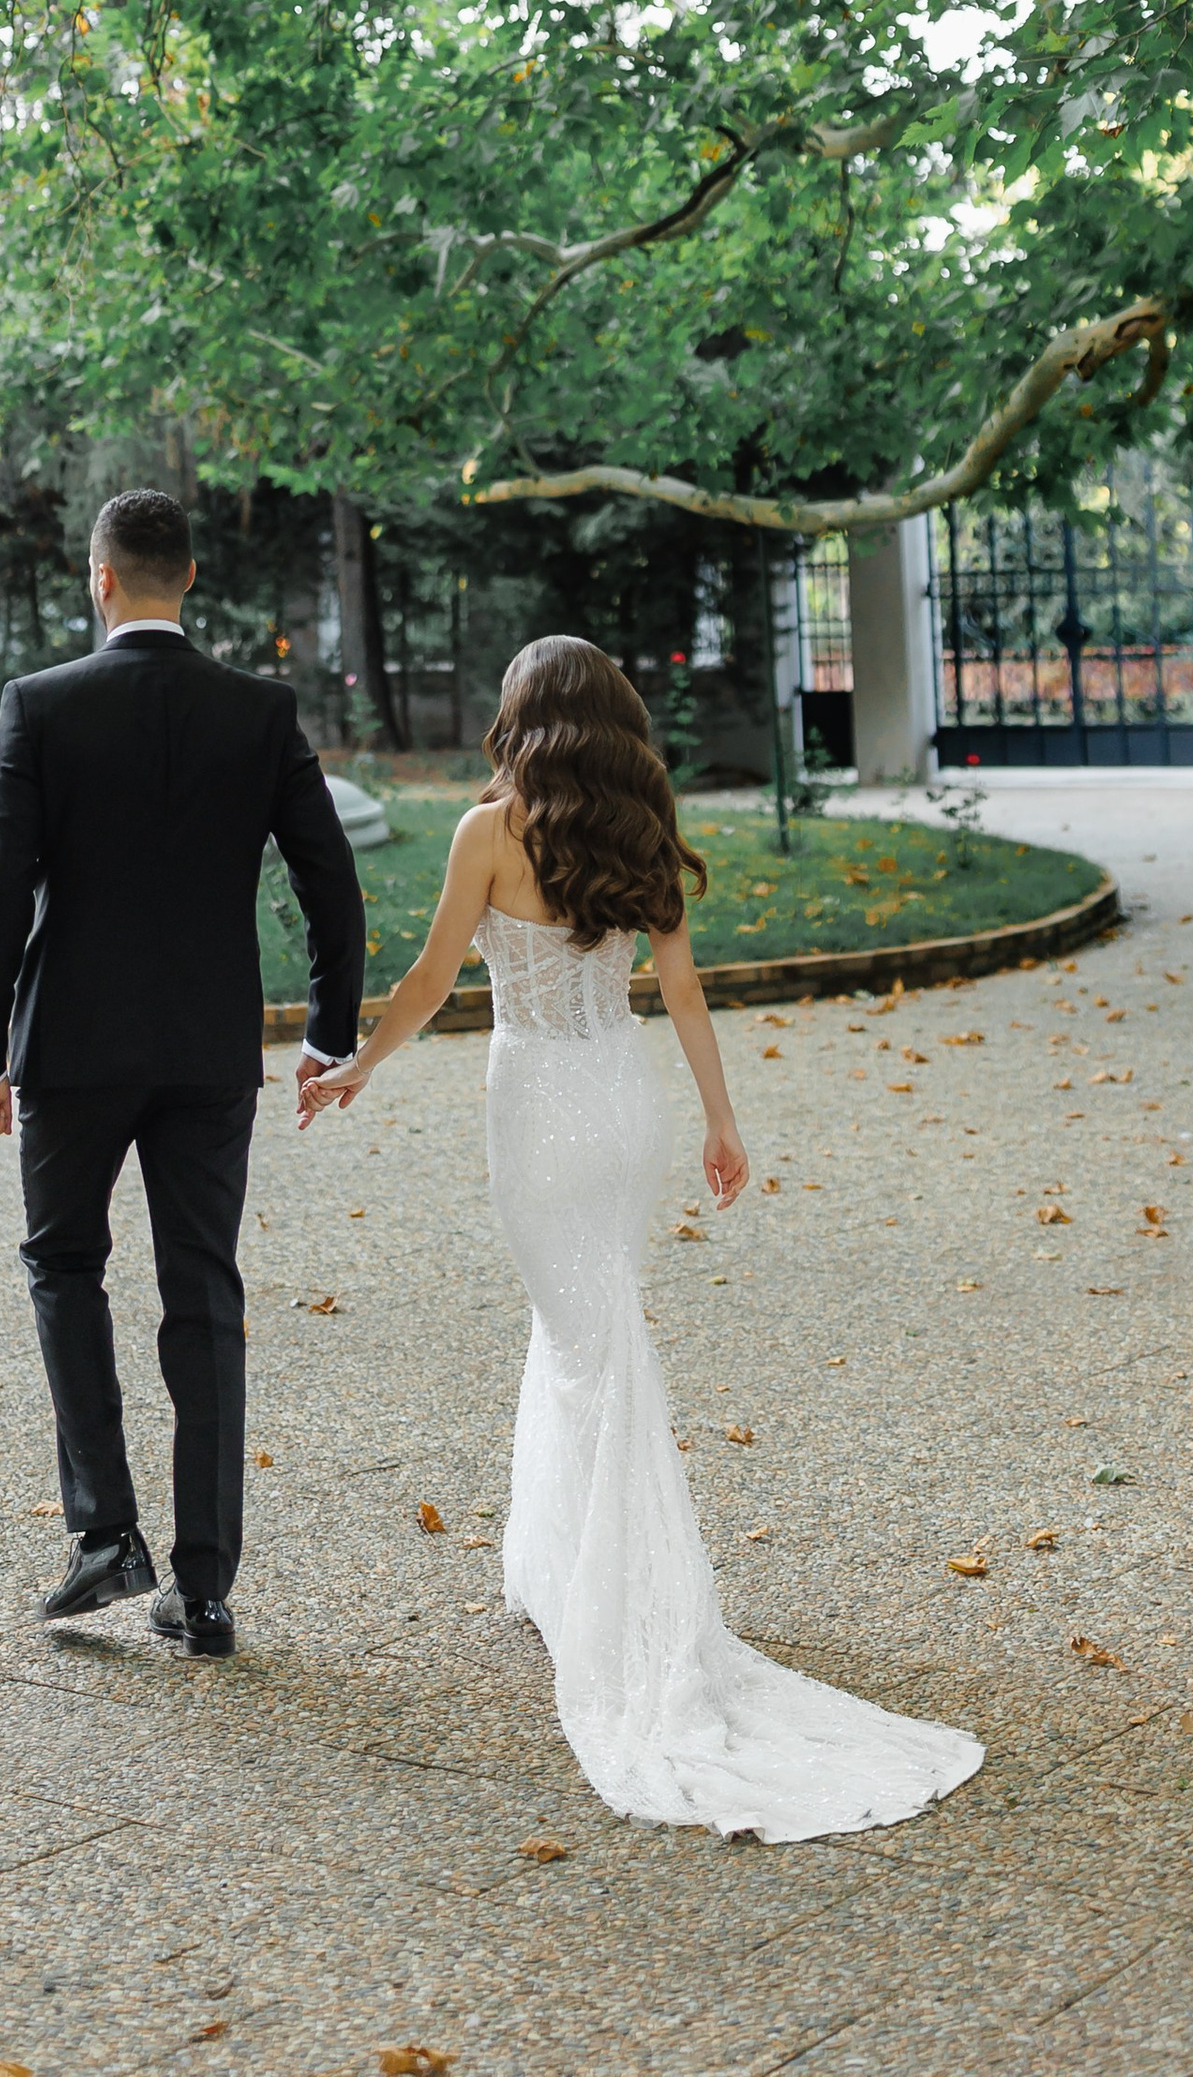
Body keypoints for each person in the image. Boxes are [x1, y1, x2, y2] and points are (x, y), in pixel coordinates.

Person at [300, 634, 983, 1839]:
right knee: (589, 1329)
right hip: (622, 1103)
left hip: (537, 1111)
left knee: (585, 1341)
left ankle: (629, 1606)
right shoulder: (640, 826)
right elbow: (678, 988)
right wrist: (722, 1122)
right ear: (613, 721)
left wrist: (360, 1063)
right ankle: (563, 1565)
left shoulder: (487, 832)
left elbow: (430, 977)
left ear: (523, 716)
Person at [0, 488, 366, 1656]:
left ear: (101, 579)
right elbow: (328, 883)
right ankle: (207, 1585)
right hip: (204, 1051)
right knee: (205, 1294)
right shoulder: (258, 710)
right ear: (188, 579)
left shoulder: (39, 706)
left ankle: (103, 1538)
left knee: (61, 1266)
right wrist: (327, 1032)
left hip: (74, 1048)